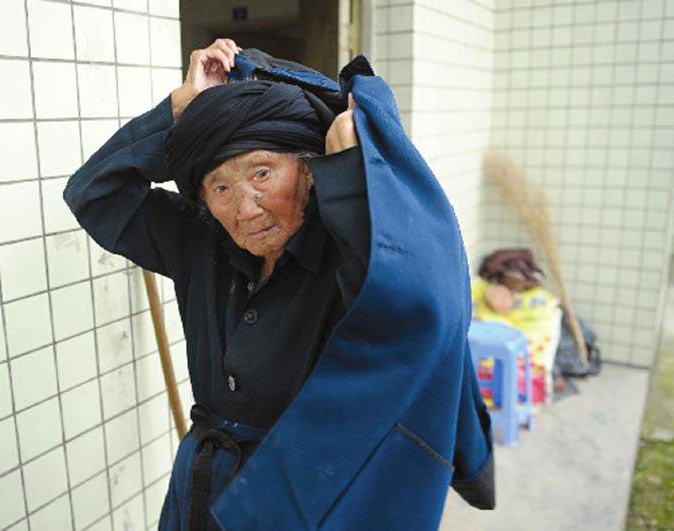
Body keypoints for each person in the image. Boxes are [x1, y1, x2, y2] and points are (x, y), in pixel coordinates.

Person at [64, 39, 494, 531]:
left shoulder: (355, 252)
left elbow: (420, 312)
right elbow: (93, 193)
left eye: (262, 173)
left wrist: (352, 183)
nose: (245, 208)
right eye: (220, 187)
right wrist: (177, 112)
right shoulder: (200, 241)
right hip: (203, 487)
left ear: (309, 169)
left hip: (310, 497)